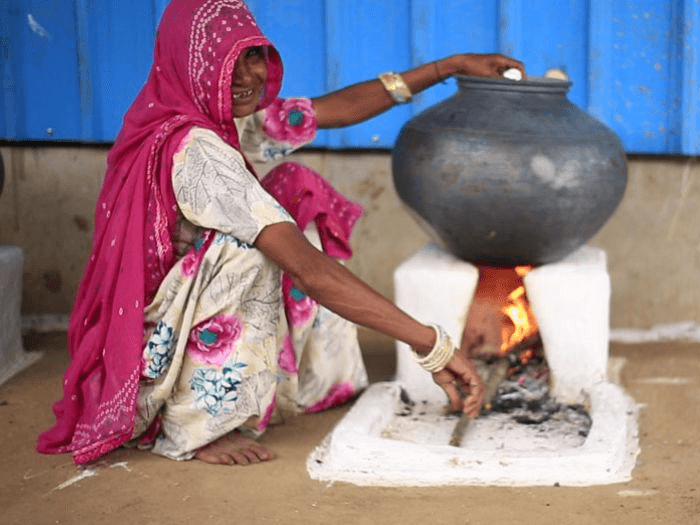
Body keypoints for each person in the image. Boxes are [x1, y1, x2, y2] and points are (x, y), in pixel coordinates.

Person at [36, 0, 524, 466]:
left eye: (253, 56)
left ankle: (310, 383)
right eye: (231, 62)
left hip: (183, 306)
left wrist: (448, 66)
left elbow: (336, 108)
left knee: (294, 192)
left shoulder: (220, 117)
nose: (250, 76)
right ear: (191, 64)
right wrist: (431, 345)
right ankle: (200, 420)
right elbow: (310, 272)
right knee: (250, 250)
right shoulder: (198, 152)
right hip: (155, 350)